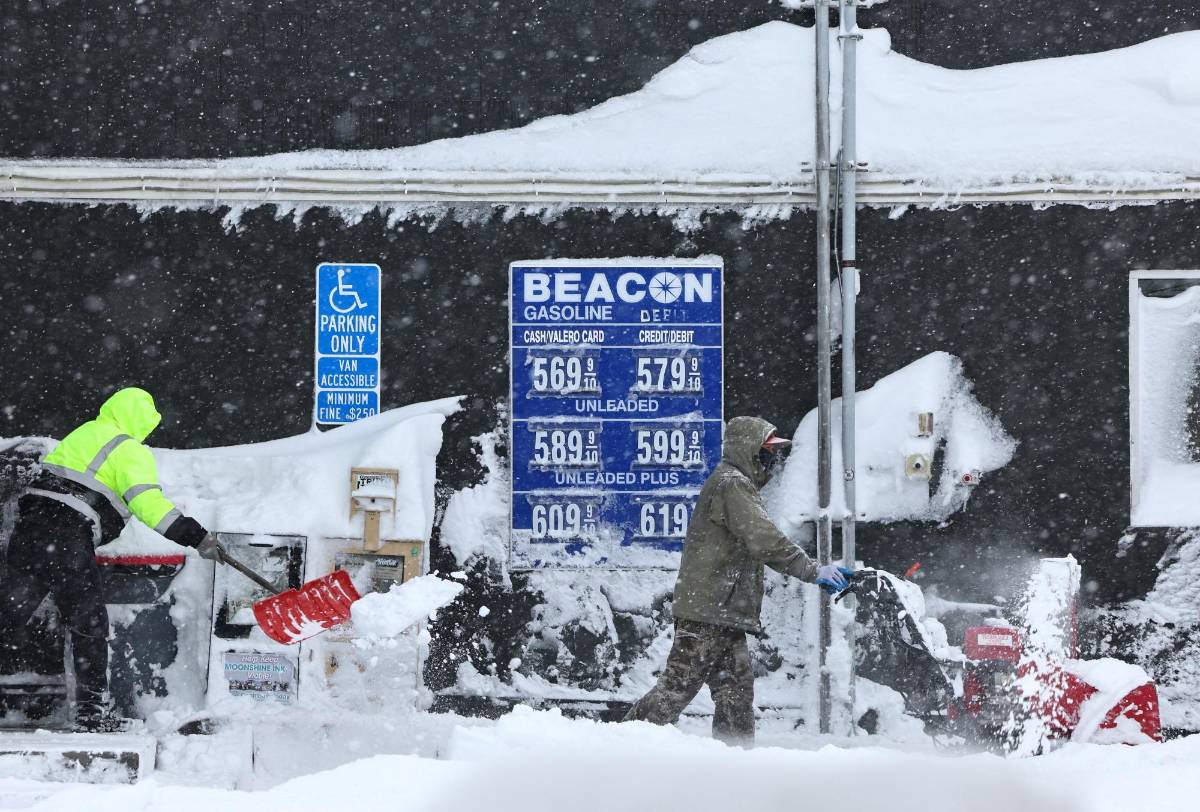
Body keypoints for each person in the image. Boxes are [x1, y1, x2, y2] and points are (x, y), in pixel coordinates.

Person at [623, 415, 854, 746]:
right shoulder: (732, 484)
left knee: (735, 694)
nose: (772, 460)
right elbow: (764, 539)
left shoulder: (735, 483)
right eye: (766, 451)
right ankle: (618, 743)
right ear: (749, 450)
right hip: (708, 612)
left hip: (723, 613)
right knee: (676, 689)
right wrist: (812, 569)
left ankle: (736, 765)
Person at [0, 388, 219, 732]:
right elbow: (148, 504)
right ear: (141, 420)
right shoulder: (129, 449)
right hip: (67, 537)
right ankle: (90, 714)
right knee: (89, 625)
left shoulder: (83, 433)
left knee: (8, 615)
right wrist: (197, 537)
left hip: (28, 533)